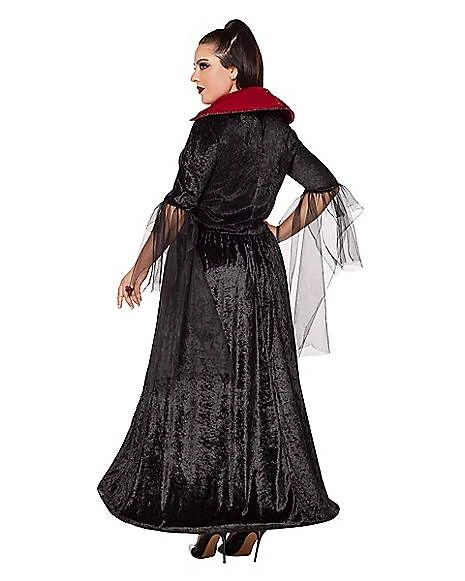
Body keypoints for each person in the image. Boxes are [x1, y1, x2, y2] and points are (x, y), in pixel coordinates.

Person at [97, 19, 363, 564]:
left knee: (203, 388)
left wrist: (138, 268)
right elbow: (324, 188)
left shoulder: (210, 131)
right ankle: (244, 522)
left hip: (211, 272)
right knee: (256, 387)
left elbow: (178, 208)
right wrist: (277, 231)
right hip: (259, 272)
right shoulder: (277, 130)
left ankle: (218, 513)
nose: (193, 76)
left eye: (203, 65)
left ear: (233, 70)